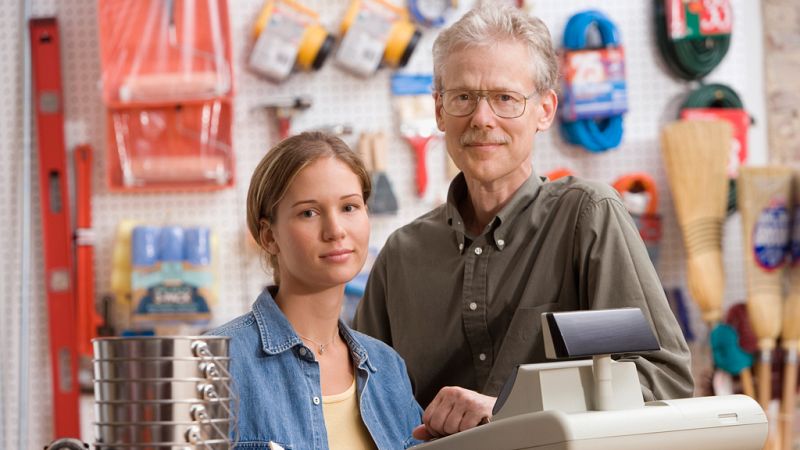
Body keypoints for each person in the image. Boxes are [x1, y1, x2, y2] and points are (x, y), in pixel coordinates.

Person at [353, 3, 693, 441]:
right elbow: (365, 403)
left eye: (505, 98)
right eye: (463, 97)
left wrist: (515, 410)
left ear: (545, 110)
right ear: (439, 110)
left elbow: (665, 381)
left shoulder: (587, 218)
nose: (481, 118)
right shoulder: (403, 255)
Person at [208, 132, 422, 449]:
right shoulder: (217, 362)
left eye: (349, 207)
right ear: (268, 236)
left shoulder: (388, 368)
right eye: (309, 212)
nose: (336, 230)